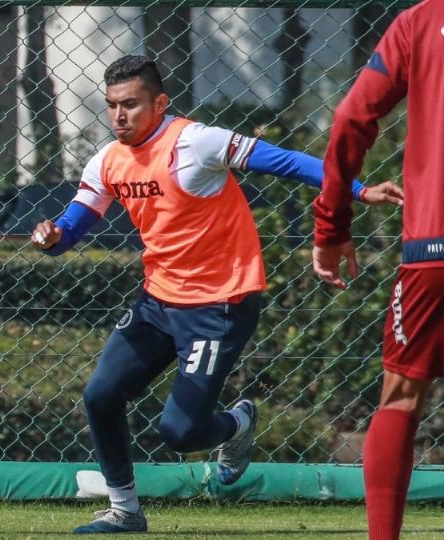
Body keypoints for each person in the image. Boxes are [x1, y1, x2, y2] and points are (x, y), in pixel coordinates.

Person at [32, 55, 403, 534]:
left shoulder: (196, 141)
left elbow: (286, 161)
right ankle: (124, 511)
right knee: (100, 396)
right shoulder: (107, 161)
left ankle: (238, 424)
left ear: (160, 103)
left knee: (180, 433)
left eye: (131, 104)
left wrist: (357, 188)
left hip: (219, 305)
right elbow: (73, 225)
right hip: (157, 302)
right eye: (111, 106)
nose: (119, 116)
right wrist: (51, 237)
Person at [312, 2, 441, 538]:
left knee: (401, 398)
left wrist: (331, 225)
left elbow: (349, 118)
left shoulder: (418, 21)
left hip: (433, 250)